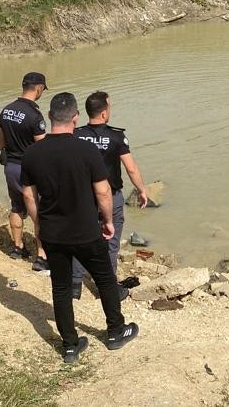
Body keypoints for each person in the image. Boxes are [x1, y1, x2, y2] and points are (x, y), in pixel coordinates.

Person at [20, 93, 139, 363]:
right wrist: (108, 221)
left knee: (60, 288)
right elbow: (104, 192)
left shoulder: (33, 152)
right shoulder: (86, 150)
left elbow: (28, 196)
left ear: (49, 117)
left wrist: (39, 225)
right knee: (105, 280)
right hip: (85, 230)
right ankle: (115, 332)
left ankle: (71, 345)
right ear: (75, 118)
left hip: (52, 232)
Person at [72, 91, 149, 300]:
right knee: (111, 242)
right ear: (104, 114)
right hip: (110, 196)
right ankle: (107, 287)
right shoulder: (116, 136)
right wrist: (142, 190)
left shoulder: (76, 135)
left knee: (82, 238)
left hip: (84, 197)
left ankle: (74, 285)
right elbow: (131, 168)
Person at [0, 72, 49, 273]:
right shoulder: (34, 115)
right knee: (38, 212)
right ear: (38, 88)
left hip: (10, 166)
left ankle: (18, 248)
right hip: (29, 170)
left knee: (17, 206)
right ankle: (41, 256)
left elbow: (1, 142)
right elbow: (43, 147)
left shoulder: (6, 110)